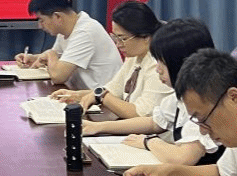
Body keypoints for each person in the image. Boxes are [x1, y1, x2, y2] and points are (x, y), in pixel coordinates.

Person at [82, 17, 221, 166]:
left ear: (183, 62)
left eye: (162, 62)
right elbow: (154, 123)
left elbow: (182, 158)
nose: (157, 69)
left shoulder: (206, 100)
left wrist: (149, 141)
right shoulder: (182, 93)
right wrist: (98, 127)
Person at [50, 0, 173, 118]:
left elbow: (140, 113)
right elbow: (113, 90)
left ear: (145, 37)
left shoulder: (158, 63)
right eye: (115, 38)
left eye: (122, 38)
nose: (118, 44)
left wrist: (101, 96)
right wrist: (77, 95)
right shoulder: (135, 55)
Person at [14, 0, 122, 89]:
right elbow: (58, 59)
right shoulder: (67, 30)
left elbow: (58, 76)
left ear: (57, 16)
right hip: (83, 94)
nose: (40, 26)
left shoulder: (85, 32)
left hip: (102, 98)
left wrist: (50, 54)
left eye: (42, 20)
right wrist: (34, 58)